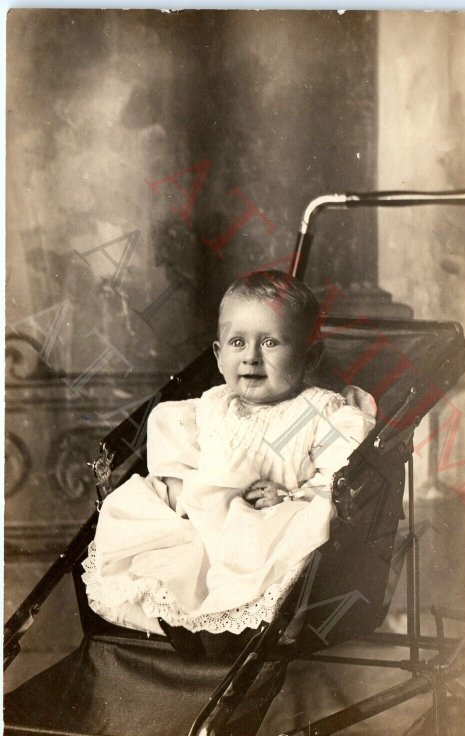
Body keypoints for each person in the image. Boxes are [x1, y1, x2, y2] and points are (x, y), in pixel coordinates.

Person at [82, 270, 375, 657]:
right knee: (157, 540)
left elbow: (339, 477)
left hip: (263, 525)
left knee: (292, 532)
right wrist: (181, 493)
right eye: (238, 342)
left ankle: (234, 633)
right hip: (201, 528)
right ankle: (183, 626)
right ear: (219, 357)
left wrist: (292, 495)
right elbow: (176, 462)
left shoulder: (320, 411)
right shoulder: (207, 407)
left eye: (271, 342)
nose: (252, 357)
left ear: (309, 358)